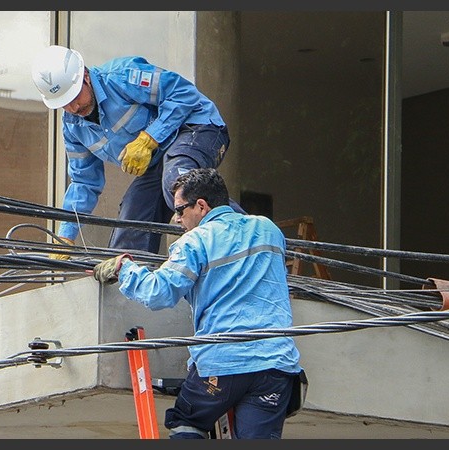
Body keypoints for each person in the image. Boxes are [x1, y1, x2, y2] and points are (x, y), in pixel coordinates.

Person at [92, 168, 302, 439]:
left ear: (201, 206)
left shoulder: (195, 241)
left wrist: (124, 269)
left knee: (185, 421)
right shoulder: (268, 229)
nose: (177, 219)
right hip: (275, 366)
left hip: (222, 364)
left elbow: (159, 292)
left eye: (180, 210)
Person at [30, 45, 245, 259]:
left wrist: (149, 138)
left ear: (85, 77)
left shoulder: (121, 76)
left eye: (75, 97)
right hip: (159, 161)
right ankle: (133, 284)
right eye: (64, 104)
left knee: (179, 184)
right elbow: (83, 182)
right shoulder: (72, 127)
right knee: (130, 227)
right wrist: (66, 236)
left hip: (197, 127)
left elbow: (184, 94)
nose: (73, 108)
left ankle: (252, 236)